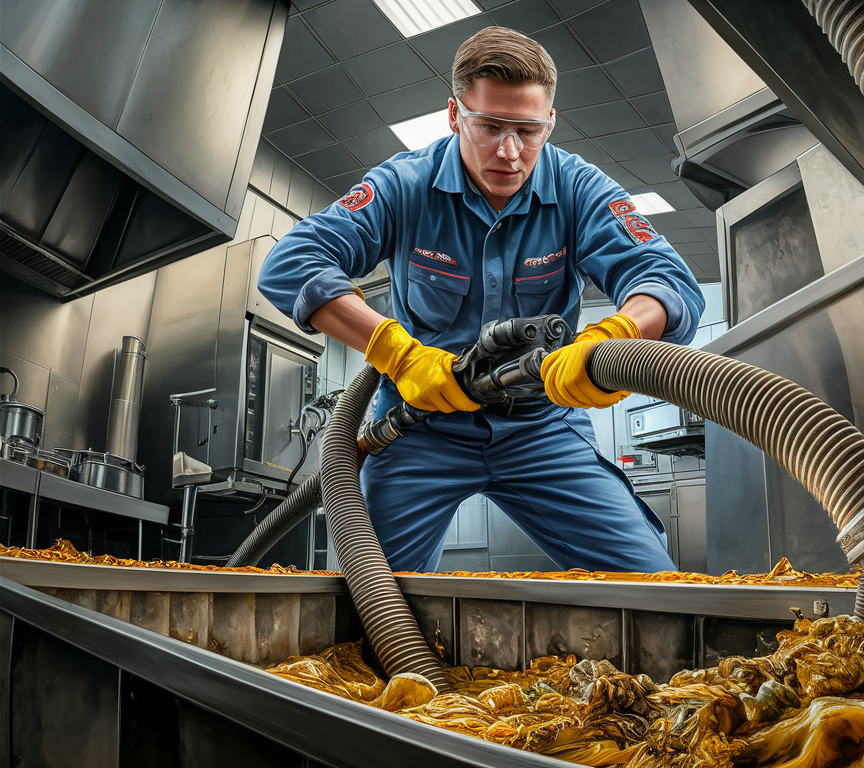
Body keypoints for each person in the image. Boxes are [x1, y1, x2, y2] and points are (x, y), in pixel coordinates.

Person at [258, 27, 703, 574]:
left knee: (652, 583)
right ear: (454, 114)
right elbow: (291, 263)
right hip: (419, 426)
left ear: (551, 123)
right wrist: (398, 353)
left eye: (527, 130)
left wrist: (616, 338)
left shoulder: (580, 189)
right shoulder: (405, 185)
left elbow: (666, 280)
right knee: (372, 606)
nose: (510, 152)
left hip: (543, 427)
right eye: (490, 127)